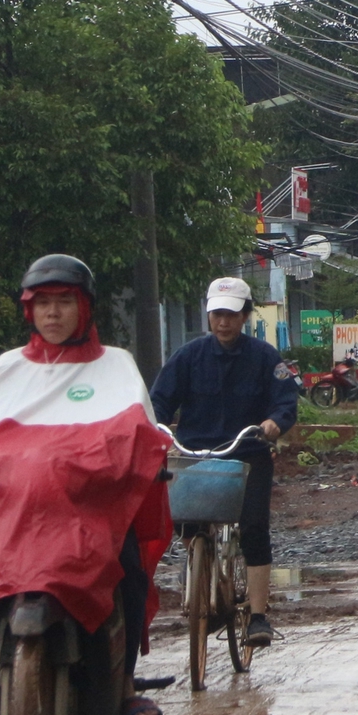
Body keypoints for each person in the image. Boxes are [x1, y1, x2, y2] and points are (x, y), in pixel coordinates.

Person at [0, 255, 175, 715]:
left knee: (126, 566)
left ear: (85, 308)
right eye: (43, 304)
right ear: (29, 311)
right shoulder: (7, 369)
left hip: (88, 514)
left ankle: (122, 686)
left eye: (64, 302)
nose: (53, 314)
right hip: (12, 516)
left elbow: (137, 437)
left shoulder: (115, 365)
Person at [151, 276, 299, 651]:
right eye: (217, 314)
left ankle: (259, 615)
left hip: (247, 455)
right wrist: (157, 427)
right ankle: (203, 580)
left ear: (245, 315)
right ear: (208, 315)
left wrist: (273, 423)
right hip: (196, 456)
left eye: (231, 315)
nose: (223, 322)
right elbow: (159, 402)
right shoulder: (187, 357)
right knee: (184, 520)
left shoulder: (266, 358)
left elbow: (285, 402)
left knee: (253, 529)